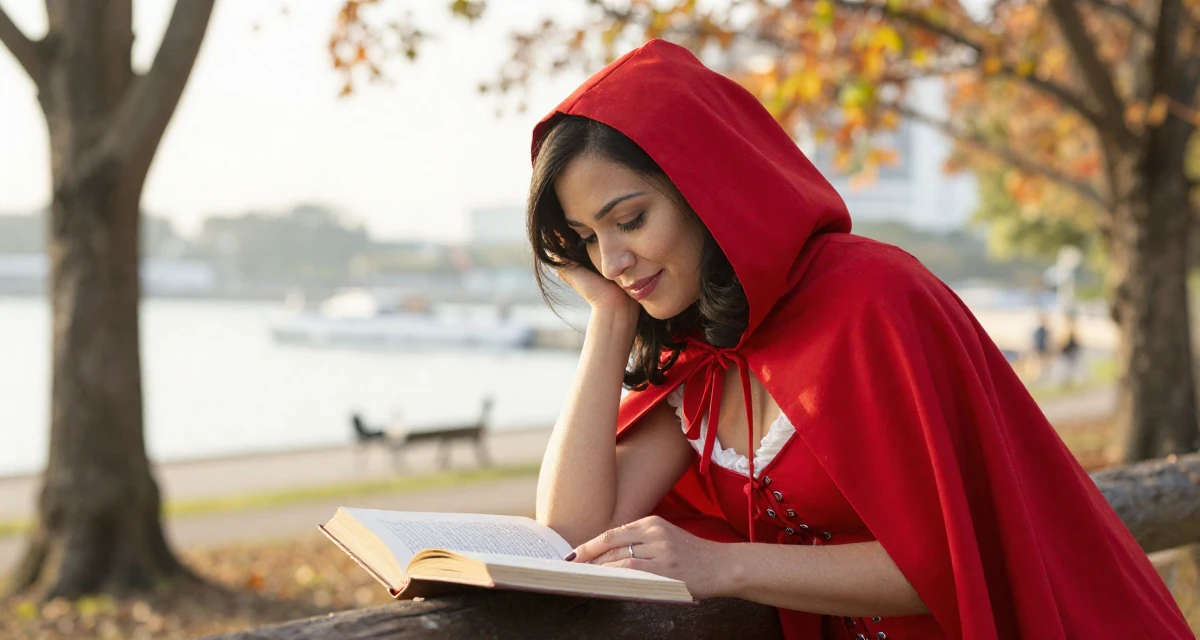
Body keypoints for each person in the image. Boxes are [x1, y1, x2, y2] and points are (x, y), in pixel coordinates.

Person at [528, 40, 1188, 639]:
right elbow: (572, 533)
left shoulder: (873, 300)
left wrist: (726, 566)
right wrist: (609, 321)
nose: (611, 259)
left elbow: (951, 561)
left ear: (706, 188)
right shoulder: (702, 362)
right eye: (588, 238)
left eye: (630, 220)